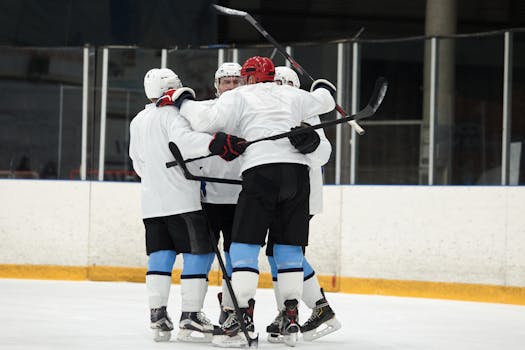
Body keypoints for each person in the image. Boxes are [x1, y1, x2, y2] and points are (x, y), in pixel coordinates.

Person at [156, 56, 337, 347]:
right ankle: (290, 320)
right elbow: (325, 102)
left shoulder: (241, 95)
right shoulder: (293, 94)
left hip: (261, 174)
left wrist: (182, 100)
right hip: (297, 178)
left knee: (244, 247)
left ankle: (238, 320)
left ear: (247, 78)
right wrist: (324, 87)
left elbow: (204, 120)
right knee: (288, 248)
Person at [129, 68, 244, 343]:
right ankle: (190, 315)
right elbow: (186, 142)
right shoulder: (173, 115)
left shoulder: (138, 119)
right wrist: (217, 143)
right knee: (198, 253)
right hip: (182, 200)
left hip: (151, 203)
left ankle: (158, 315)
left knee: (161, 254)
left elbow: (138, 162)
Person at [265, 66, 341, 342]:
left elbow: (324, 153)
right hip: (280, 195)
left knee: (284, 253)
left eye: (286, 82)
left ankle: (306, 310)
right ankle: (311, 310)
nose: (281, 86)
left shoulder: (307, 111)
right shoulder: (271, 110)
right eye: (276, 82)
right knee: (279, 254)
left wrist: (310, 143)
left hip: (300, 198)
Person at [198, 62, 244, 324]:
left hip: (241, 198)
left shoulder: (251, 112)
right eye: (226, 82)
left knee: (235, 258)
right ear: (217, 86)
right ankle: (192, 310)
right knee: (203, 256)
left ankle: (230, 308)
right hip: (209, 198)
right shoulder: (205, 112)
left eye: (236, 81)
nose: (231, 86)